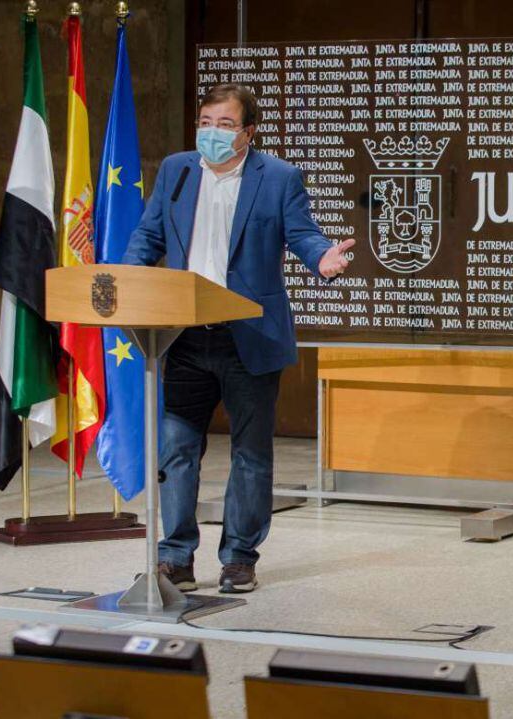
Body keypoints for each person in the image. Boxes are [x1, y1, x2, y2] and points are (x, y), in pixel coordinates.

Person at [123, 83, 353, 593]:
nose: (212, 134)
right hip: (182, 335)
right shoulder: (177, 171)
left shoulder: (279, 177)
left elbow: (303, 233)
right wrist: (127, 279)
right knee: (175, 450)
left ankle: (239, 557)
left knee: (251, 454)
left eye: (225, 125)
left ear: (248, 132)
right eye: (205, 123)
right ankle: (175, 558)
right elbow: (150, 235)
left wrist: (322, 258)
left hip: (248, 335)